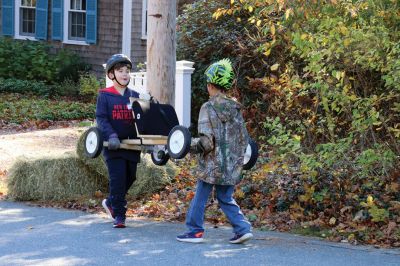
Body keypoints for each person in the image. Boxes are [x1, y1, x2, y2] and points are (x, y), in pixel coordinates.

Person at [176, 59, 253, 244]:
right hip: (231, 164)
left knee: (200, 196)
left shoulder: (208, 108)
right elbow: (243, 139)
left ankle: (194, 231)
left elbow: (206, 142)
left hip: (211, 165)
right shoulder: (236, 108)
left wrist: (188, 146)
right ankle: (242, 229)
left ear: (211, 85)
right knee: (225, 197)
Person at [96, 54, 140, 228]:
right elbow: (102, 118)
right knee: (118, 179)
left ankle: (111, 201)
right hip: (113, 145)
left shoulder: (134, 96)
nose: (125, 74)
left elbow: (140, 120)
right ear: (111, 75)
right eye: (120, 71)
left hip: (132, 145)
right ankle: (120, 216)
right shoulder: (105, 95)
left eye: (127, 71)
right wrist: (112, 135)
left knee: (131, 177)